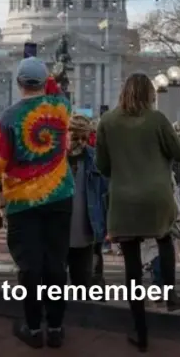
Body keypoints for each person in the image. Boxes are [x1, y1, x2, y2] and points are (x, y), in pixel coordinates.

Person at [0, 57, 74, 349]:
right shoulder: (63, 109)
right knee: (57, 263)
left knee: (30, 266)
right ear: (44, 81)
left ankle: (33, 328)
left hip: (22, 201)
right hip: (60, 195)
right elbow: (55, 89)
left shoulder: (8, 118)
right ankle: (56, 327)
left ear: (18, 83)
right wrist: (50, 78)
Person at [95, 73, 180, 352]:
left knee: (132, 265)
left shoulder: (108, 122)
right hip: (156, 195)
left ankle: (140, 329)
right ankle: (170, 293)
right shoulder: (157, 120)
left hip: (124, 199)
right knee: (164, 239)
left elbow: (102, 165)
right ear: (150, 93)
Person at [65, 114, 108, 287]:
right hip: (59, 232)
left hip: (87, 232)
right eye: (76, 137)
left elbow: (104, 193)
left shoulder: (94, 159)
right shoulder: (55, 160)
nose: (81, 142)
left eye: (85, 138)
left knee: (84, 284)